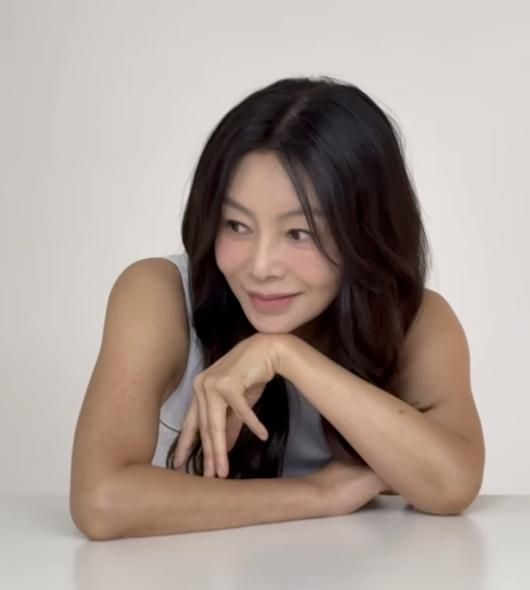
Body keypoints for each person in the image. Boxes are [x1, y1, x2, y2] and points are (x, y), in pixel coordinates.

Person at [70, 75, 485, 540]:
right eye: (236, 225)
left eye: (299, 233)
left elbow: (453, 484)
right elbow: (101, 502)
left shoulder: (416, 322)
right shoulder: (157, 294)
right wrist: (316, 496)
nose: (261, 266)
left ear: (364, 233)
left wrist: (285, 355)